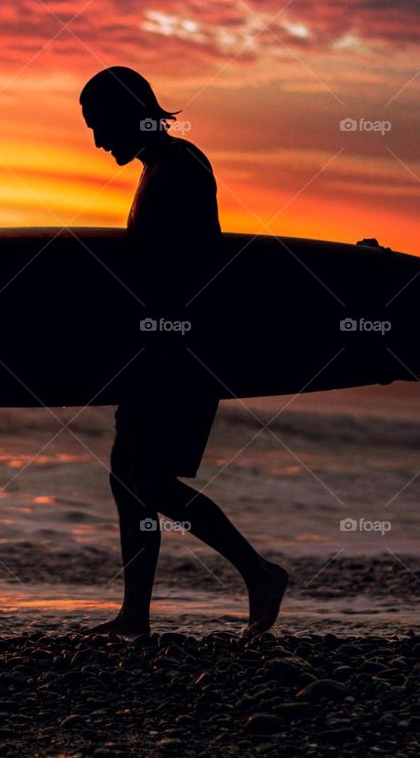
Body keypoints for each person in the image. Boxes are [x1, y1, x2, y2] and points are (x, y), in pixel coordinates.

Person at [80, 66, 288, 640]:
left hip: (183, 349)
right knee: (128, 476)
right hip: (159, 346)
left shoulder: (179, 167)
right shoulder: (162, 167)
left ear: (128, 113)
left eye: (100, 124)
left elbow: (194, 268)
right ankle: (135, 617)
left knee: (149, 480)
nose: (98, 140)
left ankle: (260, 573)